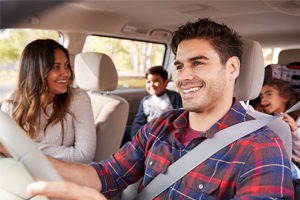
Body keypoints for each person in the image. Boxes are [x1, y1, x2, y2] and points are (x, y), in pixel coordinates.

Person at [26, 18, 294, 199]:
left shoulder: (262, 149)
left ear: (232, 68)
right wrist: (26, 156)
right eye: (179, 66)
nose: (184, 77)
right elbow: (106, 174)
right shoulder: (161, 126)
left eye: (198, 63)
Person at [0, 39, 96, 163]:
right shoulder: (12, 103)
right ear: (36, 71)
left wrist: (19, 149)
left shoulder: (77, 99)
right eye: (57, 67)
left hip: (62, 178)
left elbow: (84, 156)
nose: (66, 73)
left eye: (66, 65)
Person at [130, 65, 182, 138]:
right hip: (149, 133)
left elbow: (180, 117)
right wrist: (135, 137)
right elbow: (138, 122)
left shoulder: (174, 97)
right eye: (148, 82)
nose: (151, 85)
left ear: (166, 83)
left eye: (156, 81)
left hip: (167, 133)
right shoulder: (145, 101)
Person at [259, 78, 300, 168]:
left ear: (285, 96)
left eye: (269, 94)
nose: (263, 99)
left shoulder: (298, 119)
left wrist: (295, 130)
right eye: (261, 96)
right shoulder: (265, 119)